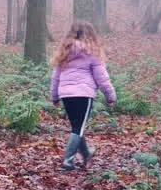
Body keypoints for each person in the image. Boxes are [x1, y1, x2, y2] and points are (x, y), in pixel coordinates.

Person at [49, 21, 117, 170]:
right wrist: (110, 96)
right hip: (84, 94)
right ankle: (68, 160)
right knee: (78, 127)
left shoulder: (64, 52)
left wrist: (54, 96)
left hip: (66, 94)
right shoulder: (92, 52)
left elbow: (56, 77)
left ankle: (86, 153)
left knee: (76, 127)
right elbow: (102, 77)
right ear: (90, 34)